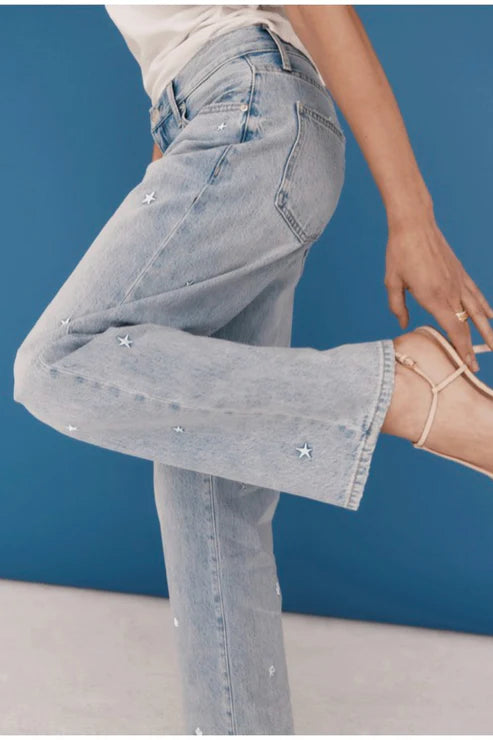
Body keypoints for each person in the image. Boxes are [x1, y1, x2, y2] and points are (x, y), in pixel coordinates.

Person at [12, 4, 493, 735]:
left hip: (247, 115)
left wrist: (411, 216)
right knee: (213, 499)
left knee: (56, 363)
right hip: (233, 131)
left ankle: (399, 389)